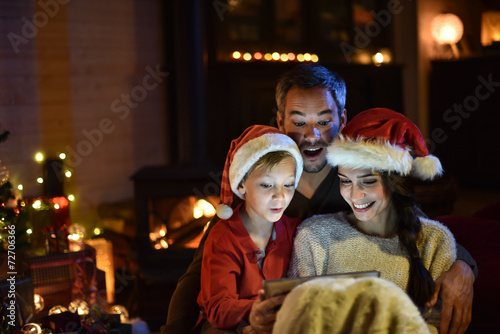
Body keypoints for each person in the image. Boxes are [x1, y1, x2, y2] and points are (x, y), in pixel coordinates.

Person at [162, 64, 476, 334]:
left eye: (324, 121)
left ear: (342, 119)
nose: (311, 135)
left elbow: (418, 224)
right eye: (298, 122)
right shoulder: (261, 180)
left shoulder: (359, 175)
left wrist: (463, 267)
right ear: (280, 122)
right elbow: (196, 273)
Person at [275, 108, 456, 333]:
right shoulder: (314, 235)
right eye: (345, 181)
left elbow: (437, 326)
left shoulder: (434, 240)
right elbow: (301, 318)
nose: (354, 194)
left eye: (368, 181)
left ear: (394, 183)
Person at [196, 124, 303, 332]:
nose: (280, 196)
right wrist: (255, 312)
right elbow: (218, 308)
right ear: (241, 185)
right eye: (266, 185)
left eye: (288, 185)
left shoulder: (294, 231)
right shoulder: (223, 238)